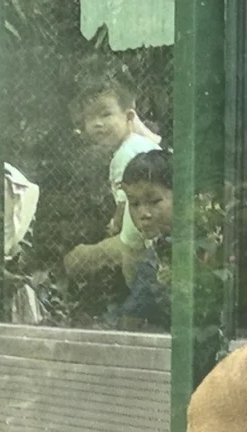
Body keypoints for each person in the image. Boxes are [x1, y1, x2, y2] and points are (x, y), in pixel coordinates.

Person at [65, 71, 163, 289]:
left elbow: (123, 201)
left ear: (129, 117)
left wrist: (115, 224)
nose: (98, 124)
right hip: (152, 234)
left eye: (106, 115)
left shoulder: (124, 155)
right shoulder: (141, 143)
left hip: (136, 241)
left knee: (76, 261)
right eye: (91, 118)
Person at [107, 149, 173, 331]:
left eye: (154, 201)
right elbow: (132, 316)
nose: (143, 214)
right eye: (134, 204)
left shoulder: (204, 249)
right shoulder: (156, 253)